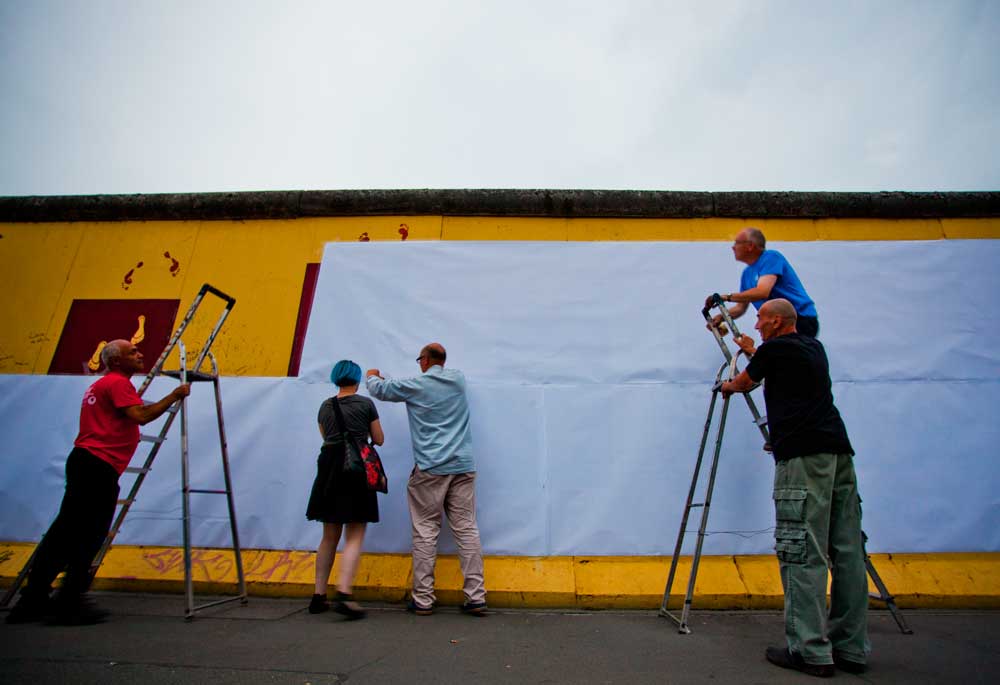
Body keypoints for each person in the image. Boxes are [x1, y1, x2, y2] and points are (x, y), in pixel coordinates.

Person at [720, 299, 869, 678]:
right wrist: (754, 353)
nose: (757, 323)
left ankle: (809, 650)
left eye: (761, 318)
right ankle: (850, 648)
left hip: (803, 461)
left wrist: (727, 385)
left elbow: (746, 381)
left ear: (776, 321)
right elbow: (781, 375)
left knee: (803, 548)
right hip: (838, 452)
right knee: (848, 551)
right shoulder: (811, 348)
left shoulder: (775, 350)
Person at [6, 340, 191, 625]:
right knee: (89, 535)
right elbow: (140, 416)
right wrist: (175, 395)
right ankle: (68, 602)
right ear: (116, 361)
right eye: (132, 352)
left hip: (87, 464)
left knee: (64, 533)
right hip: (97, 466)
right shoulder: (117, 383)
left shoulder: (105, 384)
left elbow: (133, 411)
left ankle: (34, 599)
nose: (140, 354)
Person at [365, 343, 487, 616]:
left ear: (425, 360)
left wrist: (372, 375)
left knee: (425, 531)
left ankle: (423, 599)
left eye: (420, 359)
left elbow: (380, 390)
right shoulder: (458, 380)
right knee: (466, 529)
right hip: (463, 466)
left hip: (431, 468)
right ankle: (476, 597)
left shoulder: (416, 385)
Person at [305, 360, 384, 620]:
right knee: (354, 533)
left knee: (329, 535)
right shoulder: (365, 404)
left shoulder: (324, 407)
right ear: (357, 379)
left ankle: (318, 595)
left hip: (328, 469)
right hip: (356, 470)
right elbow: (379, 438)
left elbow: (325, 437)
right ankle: (344, 592)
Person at [708, 227, 820, 337]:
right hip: (774, 323)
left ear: (750, 246)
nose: (733, 247)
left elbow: (762, 292)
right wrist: (721, 317)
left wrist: (727, 297)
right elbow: (740, 308)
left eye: (737, 243)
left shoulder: (771, 257)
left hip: (798, 319)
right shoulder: (747, 273)